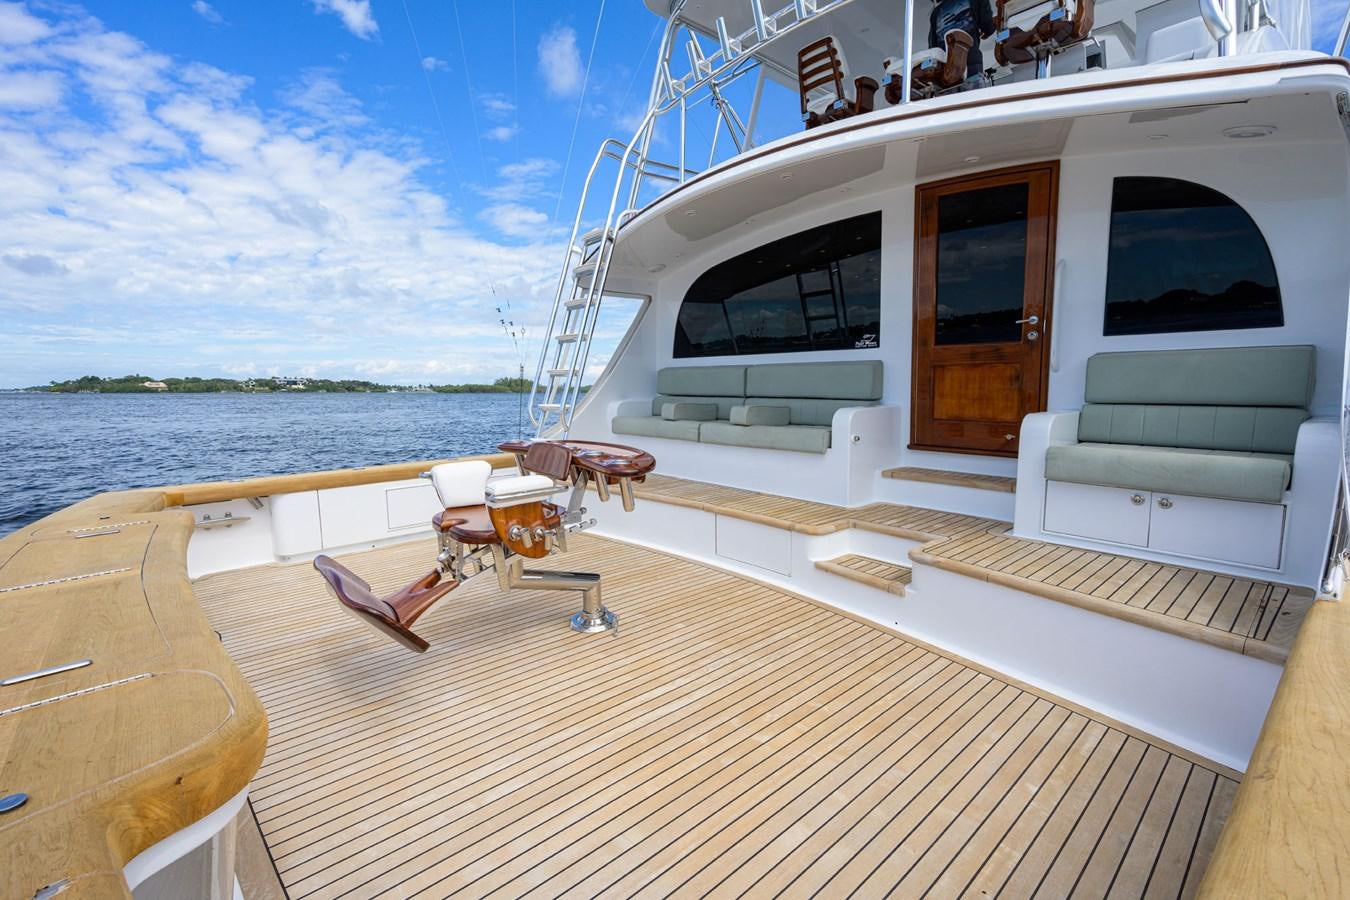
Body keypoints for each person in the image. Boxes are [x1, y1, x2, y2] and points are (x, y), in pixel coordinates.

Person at [928, 0, 996, 81]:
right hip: (971, 61)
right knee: (973, 93)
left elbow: (933, 48)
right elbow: (987, 27)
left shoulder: (935, 13)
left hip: (946, 71)